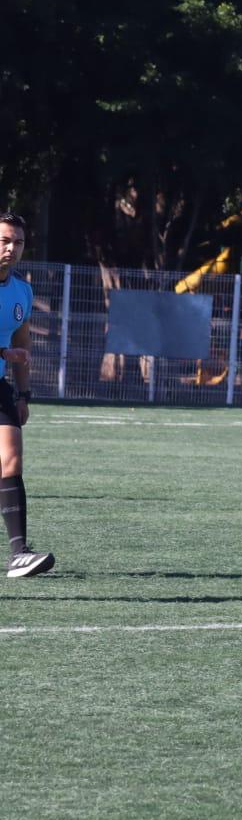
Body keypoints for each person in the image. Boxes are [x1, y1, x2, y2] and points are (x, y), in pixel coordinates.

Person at [0, 212, 54, 578]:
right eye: (4, 240)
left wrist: (23, 393)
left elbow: (21, 341)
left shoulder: (22, 290)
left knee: (11, 460)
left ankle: (19, 552)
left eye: (17, 242)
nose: (11, 248)